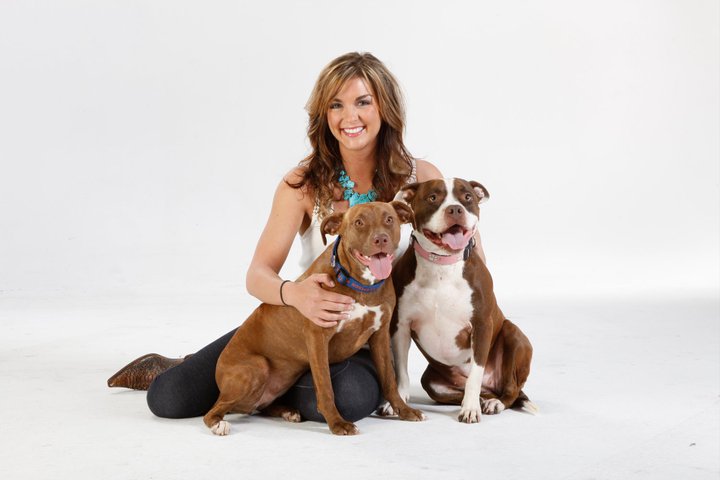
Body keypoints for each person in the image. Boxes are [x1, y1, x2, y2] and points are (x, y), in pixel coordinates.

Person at [107, 52, 486, 423]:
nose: (349, 117)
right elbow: (257, 275)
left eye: (363, 102)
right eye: (335, 105)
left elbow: (473, 268)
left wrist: (473, 357)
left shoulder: (422, 180)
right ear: (324, 115)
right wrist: (296, 294)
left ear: (384, 108)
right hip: (296, 327)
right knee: (169, 397)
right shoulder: (303, 184)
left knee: (349, 399)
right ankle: (205, 370)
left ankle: (277, 390)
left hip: (368, 341)